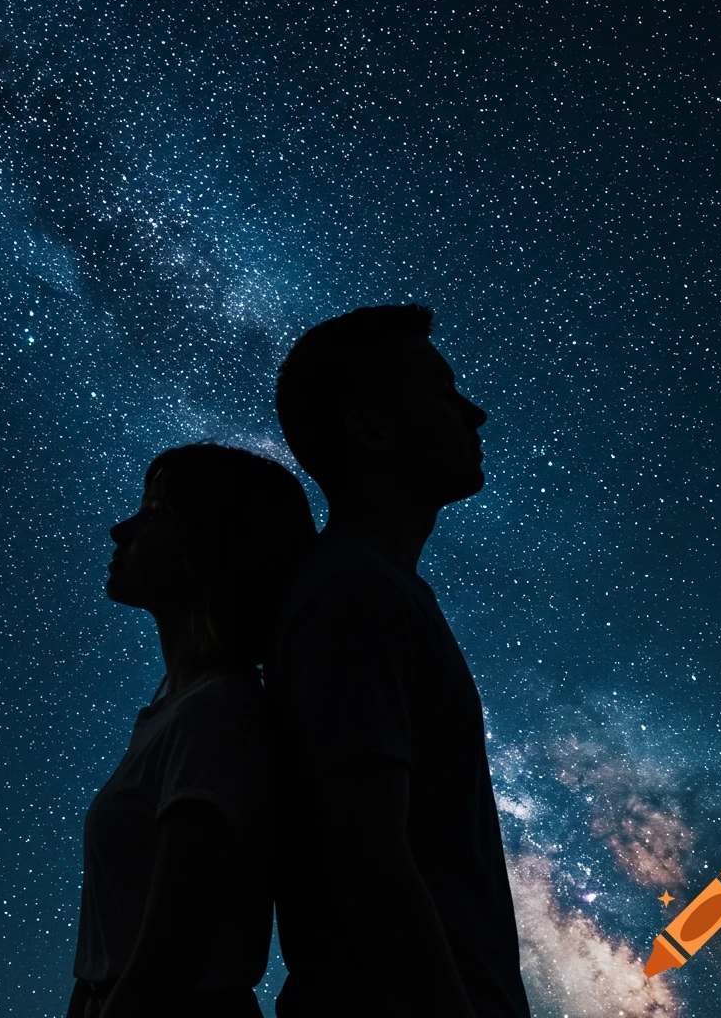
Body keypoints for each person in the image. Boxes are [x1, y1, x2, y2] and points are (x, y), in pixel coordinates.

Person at [267, 303, 532, 1018]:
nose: (473, 412)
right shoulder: (354, 593)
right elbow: (369, 856)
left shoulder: (373, 588)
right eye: (441, 390)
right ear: (372, 429)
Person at [66, 442, 316, 1018]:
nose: (119, 530)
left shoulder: (216, 713)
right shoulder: (180, 712)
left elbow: (169, 955)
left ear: (209, 544)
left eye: (154, 514)